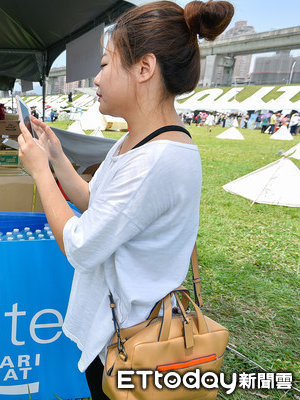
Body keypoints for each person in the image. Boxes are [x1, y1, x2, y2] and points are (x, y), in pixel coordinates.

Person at [17, 1, 233, 399]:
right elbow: (99, 207)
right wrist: (56, 157)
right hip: (117, 335)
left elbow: (82, 245)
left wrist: (39, 174)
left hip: (135, 344)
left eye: (104, 64)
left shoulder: (156, 159)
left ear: (144, 68)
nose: (95, 79)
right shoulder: (139, 140)